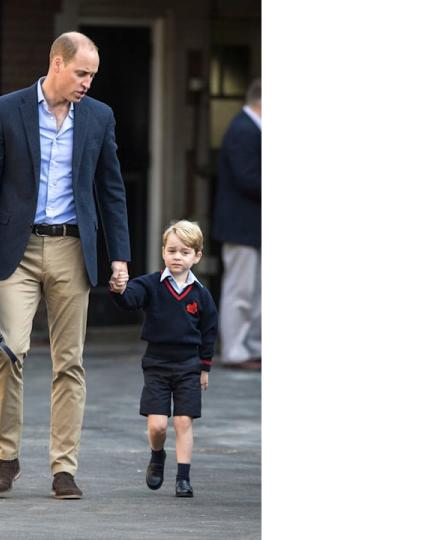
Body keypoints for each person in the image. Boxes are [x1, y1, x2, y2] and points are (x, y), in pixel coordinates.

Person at [0, 31, 131, 500]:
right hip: (17, 249)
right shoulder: (5, 109)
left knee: (69, 362)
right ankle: (7, 458)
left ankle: (64, 468)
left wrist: (119, 254)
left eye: (93, 75)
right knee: (9, 349)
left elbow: (111, 189)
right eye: (81, 72)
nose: (88, 83)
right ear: (56, 63)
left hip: (74, 250)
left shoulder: (98, 117)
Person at [109, 220, 218, 497]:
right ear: (163, 252)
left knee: (183, 421)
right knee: (157, 425)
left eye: (184, 252)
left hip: (189, 366)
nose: (177, 257)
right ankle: (157, 455)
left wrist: (204, 367)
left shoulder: (201, 295)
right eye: (172, 251)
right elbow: (131, 298)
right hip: (157, 364)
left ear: (197, 256)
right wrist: (121, 290)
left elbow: (209, 331)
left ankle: (183, 478)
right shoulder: (151, 284)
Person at [213, 78, 261, 370]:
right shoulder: (243, 129)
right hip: (240, 225)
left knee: (256, 291)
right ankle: (234, 349)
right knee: (239, 290)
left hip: (251, 226)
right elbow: (247, 178)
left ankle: (253, 346)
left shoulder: (251, 128)